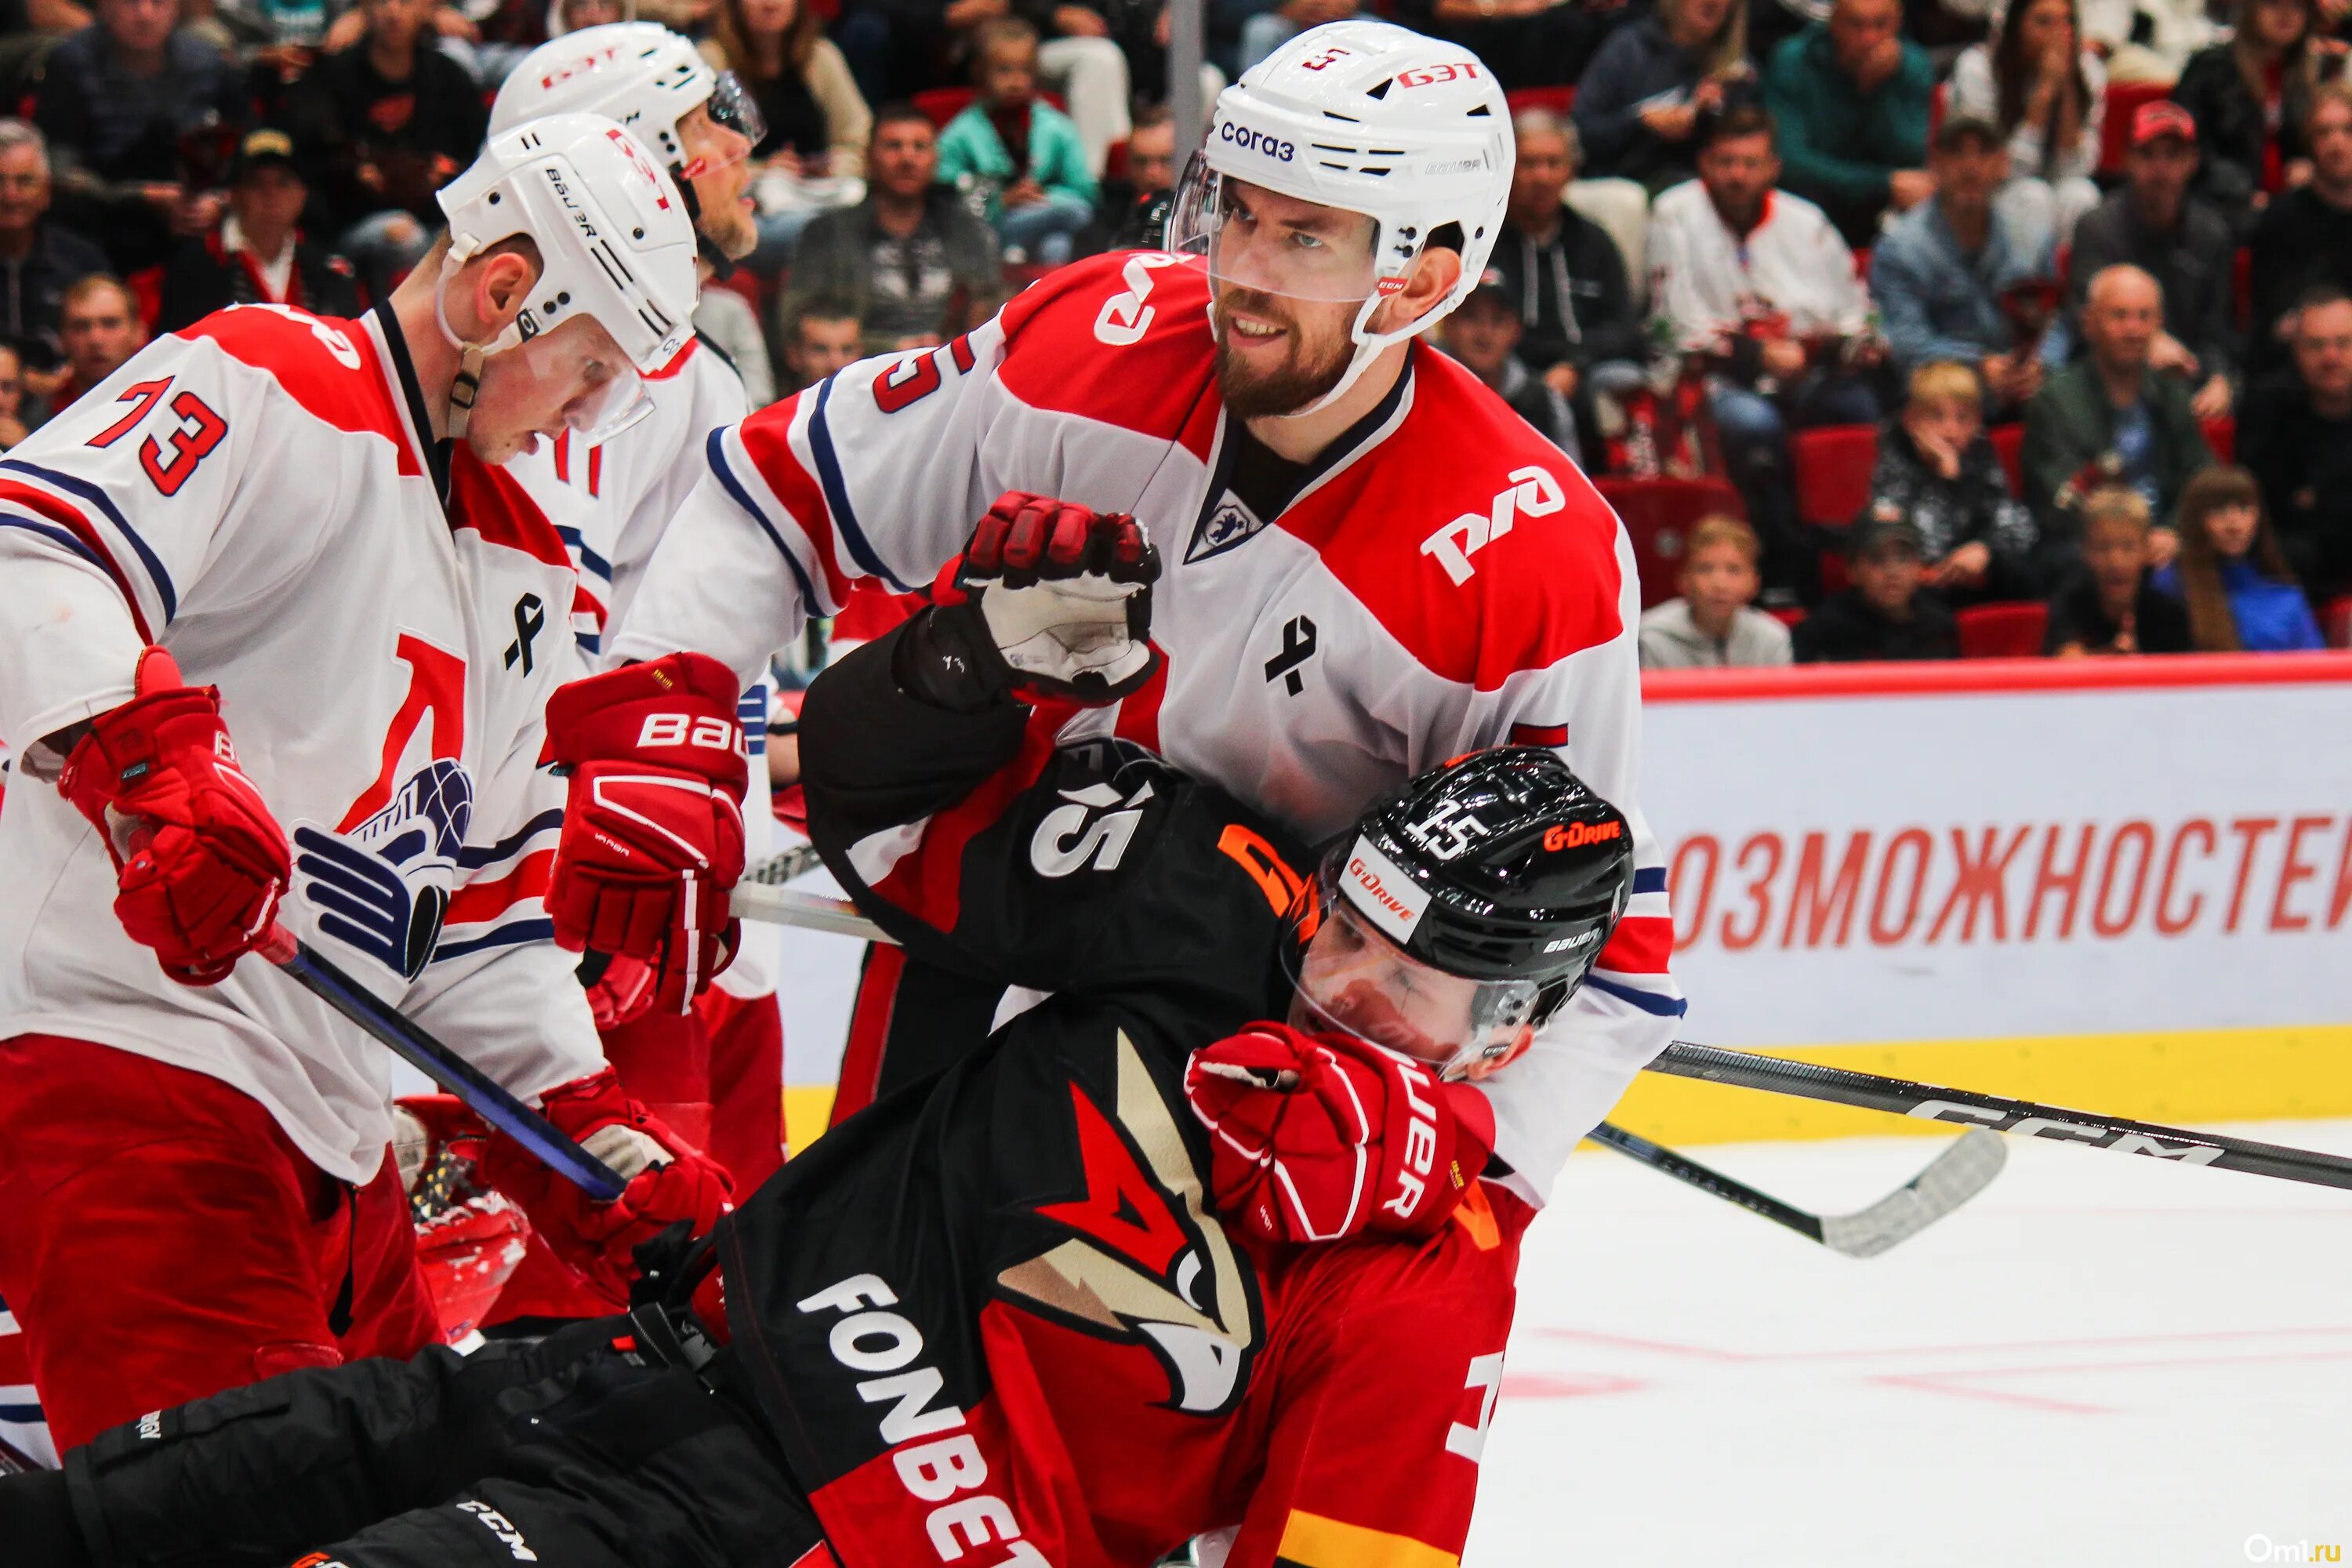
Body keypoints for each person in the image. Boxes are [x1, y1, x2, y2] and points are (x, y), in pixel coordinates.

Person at [0, 503, 1639, 1568]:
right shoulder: (1217, 913)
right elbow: (885, 816)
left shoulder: (1424, 1281)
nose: (1336, 979)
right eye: (1349, 921)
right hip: (636, 1360)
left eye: (1404, 978)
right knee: (91, 1525)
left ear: (1509, 1037)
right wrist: (955, 661)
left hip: (797, 1528)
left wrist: (1440, 1178)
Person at [587, 20, 1685, 1212]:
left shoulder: (1531, 559)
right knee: (825, 1353)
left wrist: (1456, 1167)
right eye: (1239, 211)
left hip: (1237, 1057)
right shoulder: (1091, 340)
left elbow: (1602, 962)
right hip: (967, 927)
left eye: (1304, 235)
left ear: (1419, 276)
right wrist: (663, 715)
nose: (1242, 269)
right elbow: (776, 494)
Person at [0, 113, 731, 1457]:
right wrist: (143, 751)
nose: (585, 418)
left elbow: (474, 924)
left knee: (418, 1530)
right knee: (234, 1523)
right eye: (585, 373)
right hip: (133, 1068)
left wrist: (586, 1139)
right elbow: (31, 553)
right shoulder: (270, 376)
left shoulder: (529, 571)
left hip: (336, 1138)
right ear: (504, 291)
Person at [475, 25, 789, 1334]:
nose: (752, 160)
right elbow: (532, 649)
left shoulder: (688, 368)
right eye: (721, 135)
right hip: (601, 902)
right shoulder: (568, 368)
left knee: (731, 1286)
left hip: (694, 897)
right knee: (611, 1308)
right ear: (651, 155)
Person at [1649, 103, 1886, 597]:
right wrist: (1759, 356)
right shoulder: (1676, 214)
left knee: (1858, 408)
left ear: (1774, 168)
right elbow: (1672, 326)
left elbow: (1860, 319)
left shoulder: (1807, 223)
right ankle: (1782, 573)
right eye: (1726, 162)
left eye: (1751, 163)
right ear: (1705, 164)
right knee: (1754, 426)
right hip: (1717, 380)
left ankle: (1856, 567)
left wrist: (1813, 351)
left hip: (1807, 373)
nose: (1738, 176)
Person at [286, 0, 490, 298]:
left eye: (405, 3)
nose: (394, 12)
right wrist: (358, 173)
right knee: (403, 234)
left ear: (426, 9)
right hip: (353, 225)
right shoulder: (334, 75)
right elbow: (311, 154)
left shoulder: (448, 77)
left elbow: (477, 155)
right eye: (382, 2)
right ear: (363, 9)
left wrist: (441, 174)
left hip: (438, 218)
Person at [27, 0, 246, 274]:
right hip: (101, 218)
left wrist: (220, 202)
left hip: (194, 211)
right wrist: (141, 197)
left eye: (158, 2)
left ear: (176, 7)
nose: (145, 15)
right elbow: (56, 168)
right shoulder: (69, 62)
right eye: (131, 2)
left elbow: (248, 150)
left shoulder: (210, 64)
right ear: (105, 7)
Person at [2021, 263, 2213, 565]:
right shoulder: (2054, 402)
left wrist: (2175, 531)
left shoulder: (2172, 394)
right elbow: (2061, 501)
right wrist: (2132, 542)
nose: (2133, 329)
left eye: (2144, 316)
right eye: (2119, 316)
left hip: (2166, 544)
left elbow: (2201, 477)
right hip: (2091, 551)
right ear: (2089, 324)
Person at [782, 102, 1007, 355]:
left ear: (936, 158)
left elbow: (994, 314)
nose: (907, 158)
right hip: (861, 377)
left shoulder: (969, 233)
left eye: (919, 147)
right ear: (869, 158)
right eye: (893, 146)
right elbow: (797, 328)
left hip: (954, 373)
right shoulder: (826, 234)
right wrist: (892, 349)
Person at [2063, 100, 2238, 421]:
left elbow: (2218, 330)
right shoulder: (2098, 228)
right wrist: (2146, 341)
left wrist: (2221, 379)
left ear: (2193, 162)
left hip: (2187, 376)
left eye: (2173, 156)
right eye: (2147, 155)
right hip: (2110, 376)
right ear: (2126, 160)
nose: (2160, 169)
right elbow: (2081, 321)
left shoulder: (2211, 233)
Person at [1487, 110, 1645, 456]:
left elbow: (1623, 327)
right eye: (1529, 163)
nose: (1541, 176)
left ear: (1570, 171)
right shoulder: (1485, 245)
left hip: (1588, 368)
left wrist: (1576, 365)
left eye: (1553, 163)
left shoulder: (1595, 242)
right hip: (1511, 370)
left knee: (1628, 382)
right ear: (1508, 169)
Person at [1869, 114, 2056, 405]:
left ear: (2003, 164)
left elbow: (2059, 317)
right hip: (1942, 395)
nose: (1971, 167)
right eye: (1956, 152)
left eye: (1984, 152)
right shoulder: (1901, 247)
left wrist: (2043, 361)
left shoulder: (2029, 238)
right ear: (1935, 165)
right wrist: (1977, 365)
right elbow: (1905, 343)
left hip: (2025, 386)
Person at [699, 0, 873, 268]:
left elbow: (860, 138)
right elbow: (698, 153)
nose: (771, 3)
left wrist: (830, 165)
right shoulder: (710, 59)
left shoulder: (821, 56)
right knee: (824, 234)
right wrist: (762, 170)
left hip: (820, 194)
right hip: (749, 207)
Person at [1762, 0, 1936, 246]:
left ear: (1898, 21)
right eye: (1856, 24)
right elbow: (1790, 163)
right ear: (1834, 20)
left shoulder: (1913, 65)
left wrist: (1878, 90)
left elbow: (1910, 155)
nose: (1869, 38)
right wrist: (1881, 186)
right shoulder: (1793, 60)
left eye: (1881, 24)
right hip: (1811, 209)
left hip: (1887, 218)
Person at [1865, 358, 2041, 601]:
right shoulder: (1895, 457)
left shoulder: (1979, 451)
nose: (1951, 430)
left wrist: (1985, 550)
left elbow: (2018, 525)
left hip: (1976, 576)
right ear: (1911, 420)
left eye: (1963, 418)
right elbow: (1927, 545)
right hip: (1918, 588)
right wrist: (1946, 479)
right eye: (1937, 417)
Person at [155, 128, 361, 334]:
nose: (271, 194)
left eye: (283, 182)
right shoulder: (194, 268)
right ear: (234, 195)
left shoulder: (329, 269)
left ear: (302, 195)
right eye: (256, 184)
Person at [2171, 0, 2348, 232]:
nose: (2286, 14)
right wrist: (2243, 193)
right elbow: (2189, 149)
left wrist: (2312, 168)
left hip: (2295, 205)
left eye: (2297, 6)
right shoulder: (2209, 69)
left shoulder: (2315, 76)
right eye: (2273, 4)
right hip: (2219, 204)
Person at [935, 17, 1098, 266]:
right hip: (990, 225)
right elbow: (944, 194)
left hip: (1046, 215)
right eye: (1004, 70)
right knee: (1075, 215)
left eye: (1025, 70)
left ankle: (1030, 271)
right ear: (980, 71)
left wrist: (1044, 197)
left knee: (1058, 243)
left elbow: (1085, 190)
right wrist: (1000, 200)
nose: (1016, 81)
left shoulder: (1057, 127)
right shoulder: (960, 133)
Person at [1948, 0, 2106, 246]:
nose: (2057, 35)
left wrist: (2066, 89)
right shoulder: (1978, 70)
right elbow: (1996, 172)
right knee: (2032, 196)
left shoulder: (2089, 69)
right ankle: (2026, 285)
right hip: (1986, 194)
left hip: (2050, 187)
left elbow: (2076, 170)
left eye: (2067, 22)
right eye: (2043, 22)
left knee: (2081, 195)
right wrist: (2044, 92)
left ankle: (2072, 282)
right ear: (2016, 27)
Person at [1571, 0, 1756, 194]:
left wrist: (1708, 117)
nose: (1713, 2)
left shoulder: (1739, 72)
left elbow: (1747, 150)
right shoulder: (1628, 48)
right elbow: (1582, 133)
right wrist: (1642, 122)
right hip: (1619, 179)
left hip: (1699, 188)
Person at [2238, 283, 2352, 597]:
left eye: (2344, 343)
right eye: (2316, 346)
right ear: (2296, 350)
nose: (2331, 357)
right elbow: (2262, 501)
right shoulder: (2266, 406)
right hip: (2297, 563)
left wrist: (2316, 499)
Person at [2155, 463, 2326, 648]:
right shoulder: (2166, 589)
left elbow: (2317, 673)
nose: (2234, 525)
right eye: (2218, 511)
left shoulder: (2286, 598)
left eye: (2245, 509)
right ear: (2195, 519)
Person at [2248, 82, 2352, 377]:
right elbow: (2272, 321)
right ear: (2309, 143)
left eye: (2348, 130)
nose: (2337, 143)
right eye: (2324, 132)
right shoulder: (2282, 219)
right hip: (2298, 370)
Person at [0, 120, 109, 376]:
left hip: (71, 401)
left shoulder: (82, 261)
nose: (10, 196)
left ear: (46, 192)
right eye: (0, 182)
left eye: (24, 182)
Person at [1439, 266, 1583, 458]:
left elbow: (1569, 481)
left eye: (1498, 320)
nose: (1484, 334)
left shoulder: (1545, 403)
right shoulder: (1417, 392)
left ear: (1517, 330)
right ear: (1447, 324)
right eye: (1470, 317)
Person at [2043, 484, 2196, 651]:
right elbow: (2066, 660)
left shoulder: (2170, 608)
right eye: (2102, 547)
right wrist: (2110, 660)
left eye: (2128, 547)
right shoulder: (2069, 603)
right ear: (2085, 551)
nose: (2115, 561)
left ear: (2147, 550)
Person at [1792, 515, 1964, 659]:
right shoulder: (1823, 631)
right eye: (1877, 560)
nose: (1893, 572)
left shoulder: (1939, 627)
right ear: (1853, 570)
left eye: (1903, 559)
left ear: (1920, 567)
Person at [1638, 512, 1795, 666]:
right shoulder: (1651, 637)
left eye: (1734, 570)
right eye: (1705, 569)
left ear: (1754, 583)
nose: (1720, 584)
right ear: (1684, 580)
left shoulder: (1772, 639)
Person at [37, 271, 143, 419]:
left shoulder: (168, 402)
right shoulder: (41, 419)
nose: (95, 340)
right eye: (80, 327)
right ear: (62, 338)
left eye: (110, 324)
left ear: (139, 332)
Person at [1091, 100, 1178, 251]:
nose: (1152, 174)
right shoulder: (1105, 224)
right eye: (1141, 162)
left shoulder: (1206, 224)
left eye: (1165, 160)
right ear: (1127, 165)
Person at [778, 292, 863, 394]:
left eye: (847, 350)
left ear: (860, 352)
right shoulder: (773, 409)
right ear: (794, 355)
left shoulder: (876, 408)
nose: (836, 365)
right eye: (821, 350)